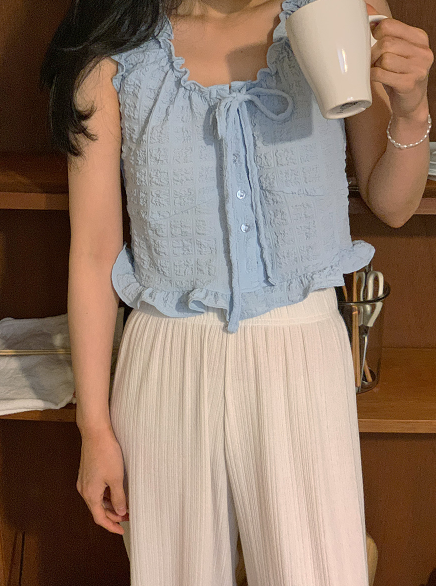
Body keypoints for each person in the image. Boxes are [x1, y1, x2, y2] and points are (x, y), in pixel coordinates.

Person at [40, 0, 433, 584]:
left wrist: (411, 108)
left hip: (303, 355)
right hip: (164, 364)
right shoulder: (113, 50)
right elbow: (95, 252)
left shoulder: (340, 15)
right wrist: (93, 427)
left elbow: (393, 206)